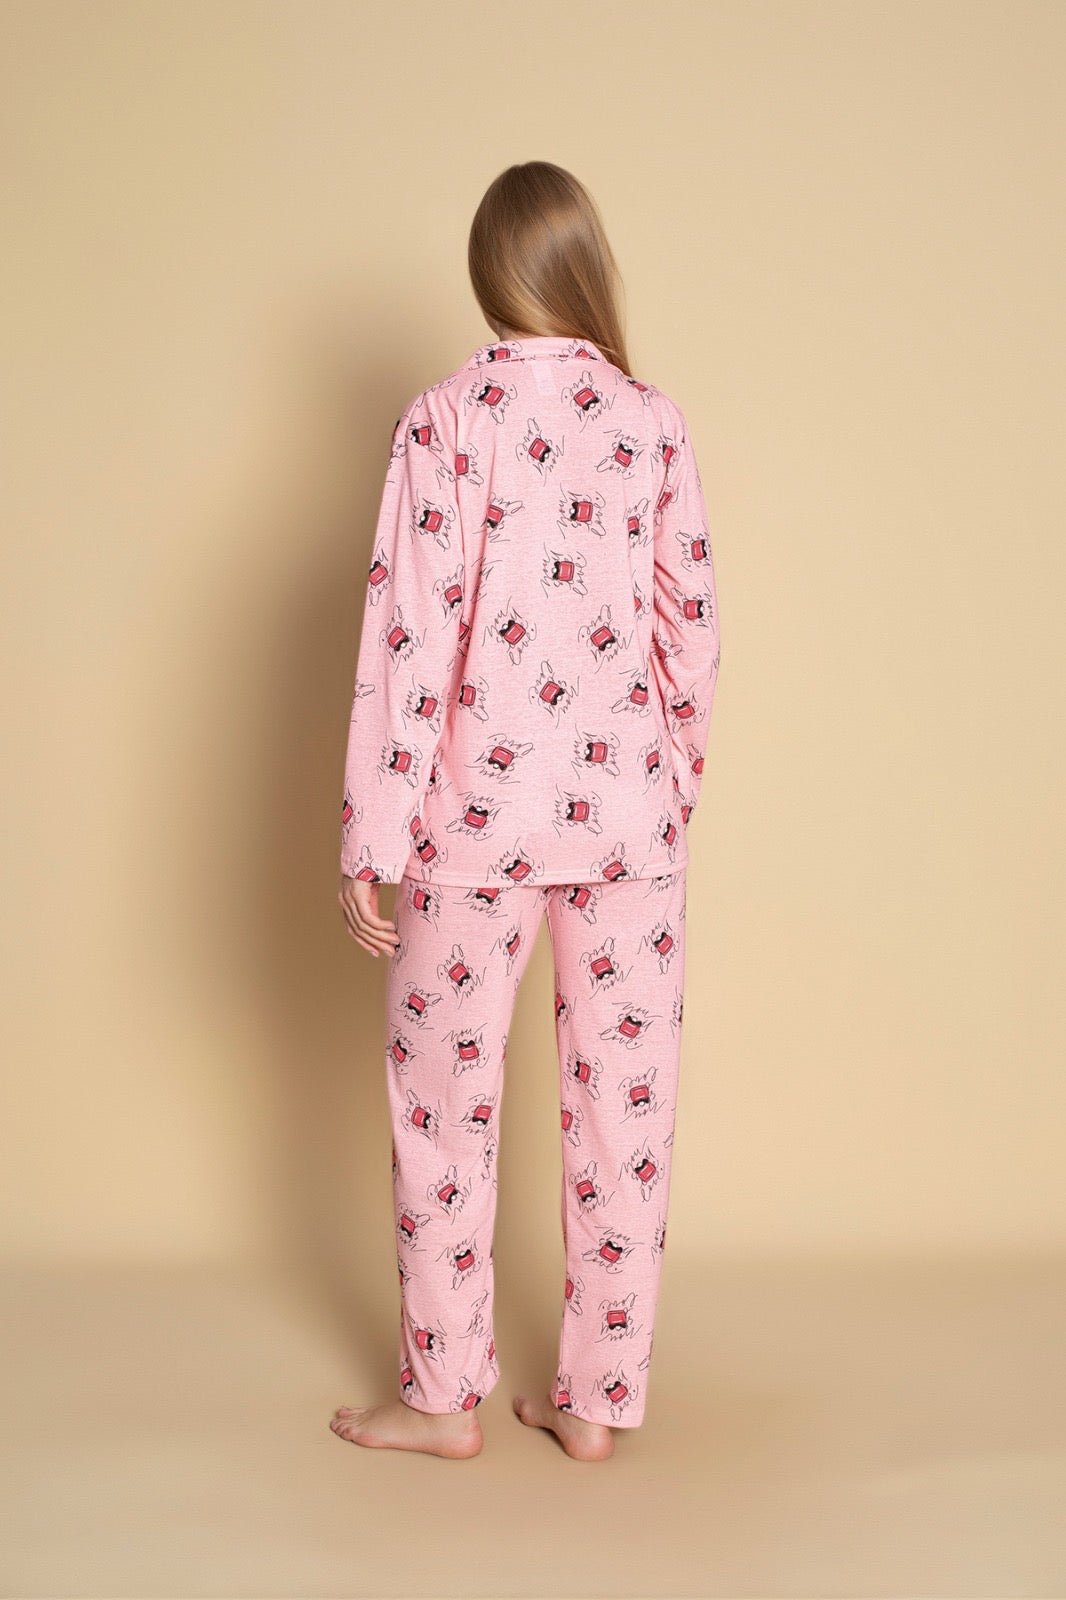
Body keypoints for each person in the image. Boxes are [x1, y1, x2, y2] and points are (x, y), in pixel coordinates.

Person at [331, 161, 721, 1462]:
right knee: (626, 1112)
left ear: (486, 271)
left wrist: (373, 831)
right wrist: (667, 786)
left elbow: (410, 635)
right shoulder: (652, 425)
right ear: (582, 267)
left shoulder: (445, 422)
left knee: (441, 1107)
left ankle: (444, 1401)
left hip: (471, 821)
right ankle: (596, 1407)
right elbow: (690, 630)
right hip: (626, 819)